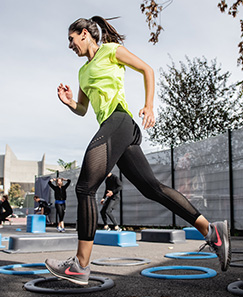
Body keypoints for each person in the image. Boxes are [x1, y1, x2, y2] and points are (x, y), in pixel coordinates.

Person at [45, 16, 231, 285]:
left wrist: (149, 105)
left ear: (84, 34)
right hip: (116, 130)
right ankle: (211, 230)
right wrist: (69, 101)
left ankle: (80, 265)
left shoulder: (110, 50)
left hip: (119, 121)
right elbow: (84, 109)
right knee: (151, 188)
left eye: (71, 39)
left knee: (85, 188)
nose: (70, 45)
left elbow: (147, 70)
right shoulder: (82, 72)